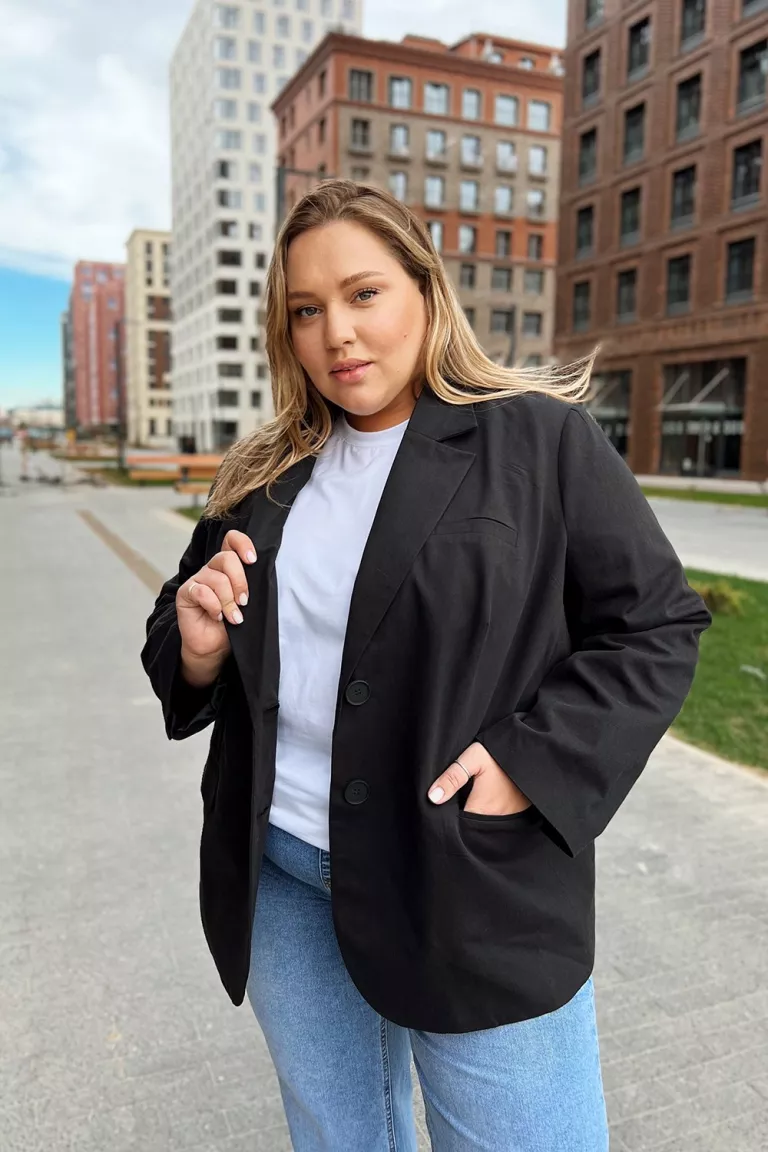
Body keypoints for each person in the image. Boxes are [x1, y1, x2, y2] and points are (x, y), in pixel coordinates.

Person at [142, 180, 711, 1150]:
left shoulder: (538, 441)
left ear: (425, 289)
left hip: (467, 881)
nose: (337, 333)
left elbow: (655, 625)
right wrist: (197, 649)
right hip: (284, 874)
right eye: (306, 310)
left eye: (364, 293)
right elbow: (178, 624)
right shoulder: (264, 474)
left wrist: (532, 762)